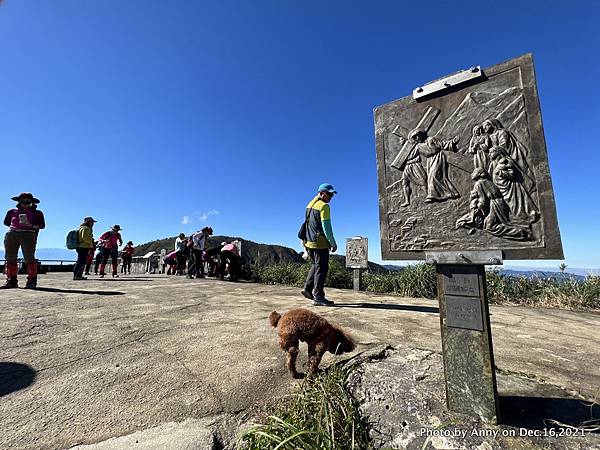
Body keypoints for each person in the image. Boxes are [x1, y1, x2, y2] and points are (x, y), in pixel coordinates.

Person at [301, 183, 338, 306]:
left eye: (332, 194)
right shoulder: (324, 206)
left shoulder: (309, 205)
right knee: (322, 268)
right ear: (321, 193)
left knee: (315, 265)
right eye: (329, 194)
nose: (331, 197)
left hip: (308, 242)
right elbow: (326, 227)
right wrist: (332, 243)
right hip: (319, 243)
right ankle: (318, 296)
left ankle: (307, 288)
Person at [2, 193, 46, 289]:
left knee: (29, 257)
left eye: (27, 202)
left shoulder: (37, 213)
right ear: (19, 202)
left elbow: (42, 226)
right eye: (22, 201)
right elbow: (6, 222)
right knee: (10, 257)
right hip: (12, 234)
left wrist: (30, 225)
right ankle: (11, 280)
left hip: (28, 234)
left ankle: (31, 281)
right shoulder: (11, 211)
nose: (24, 203)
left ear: (32, 203)